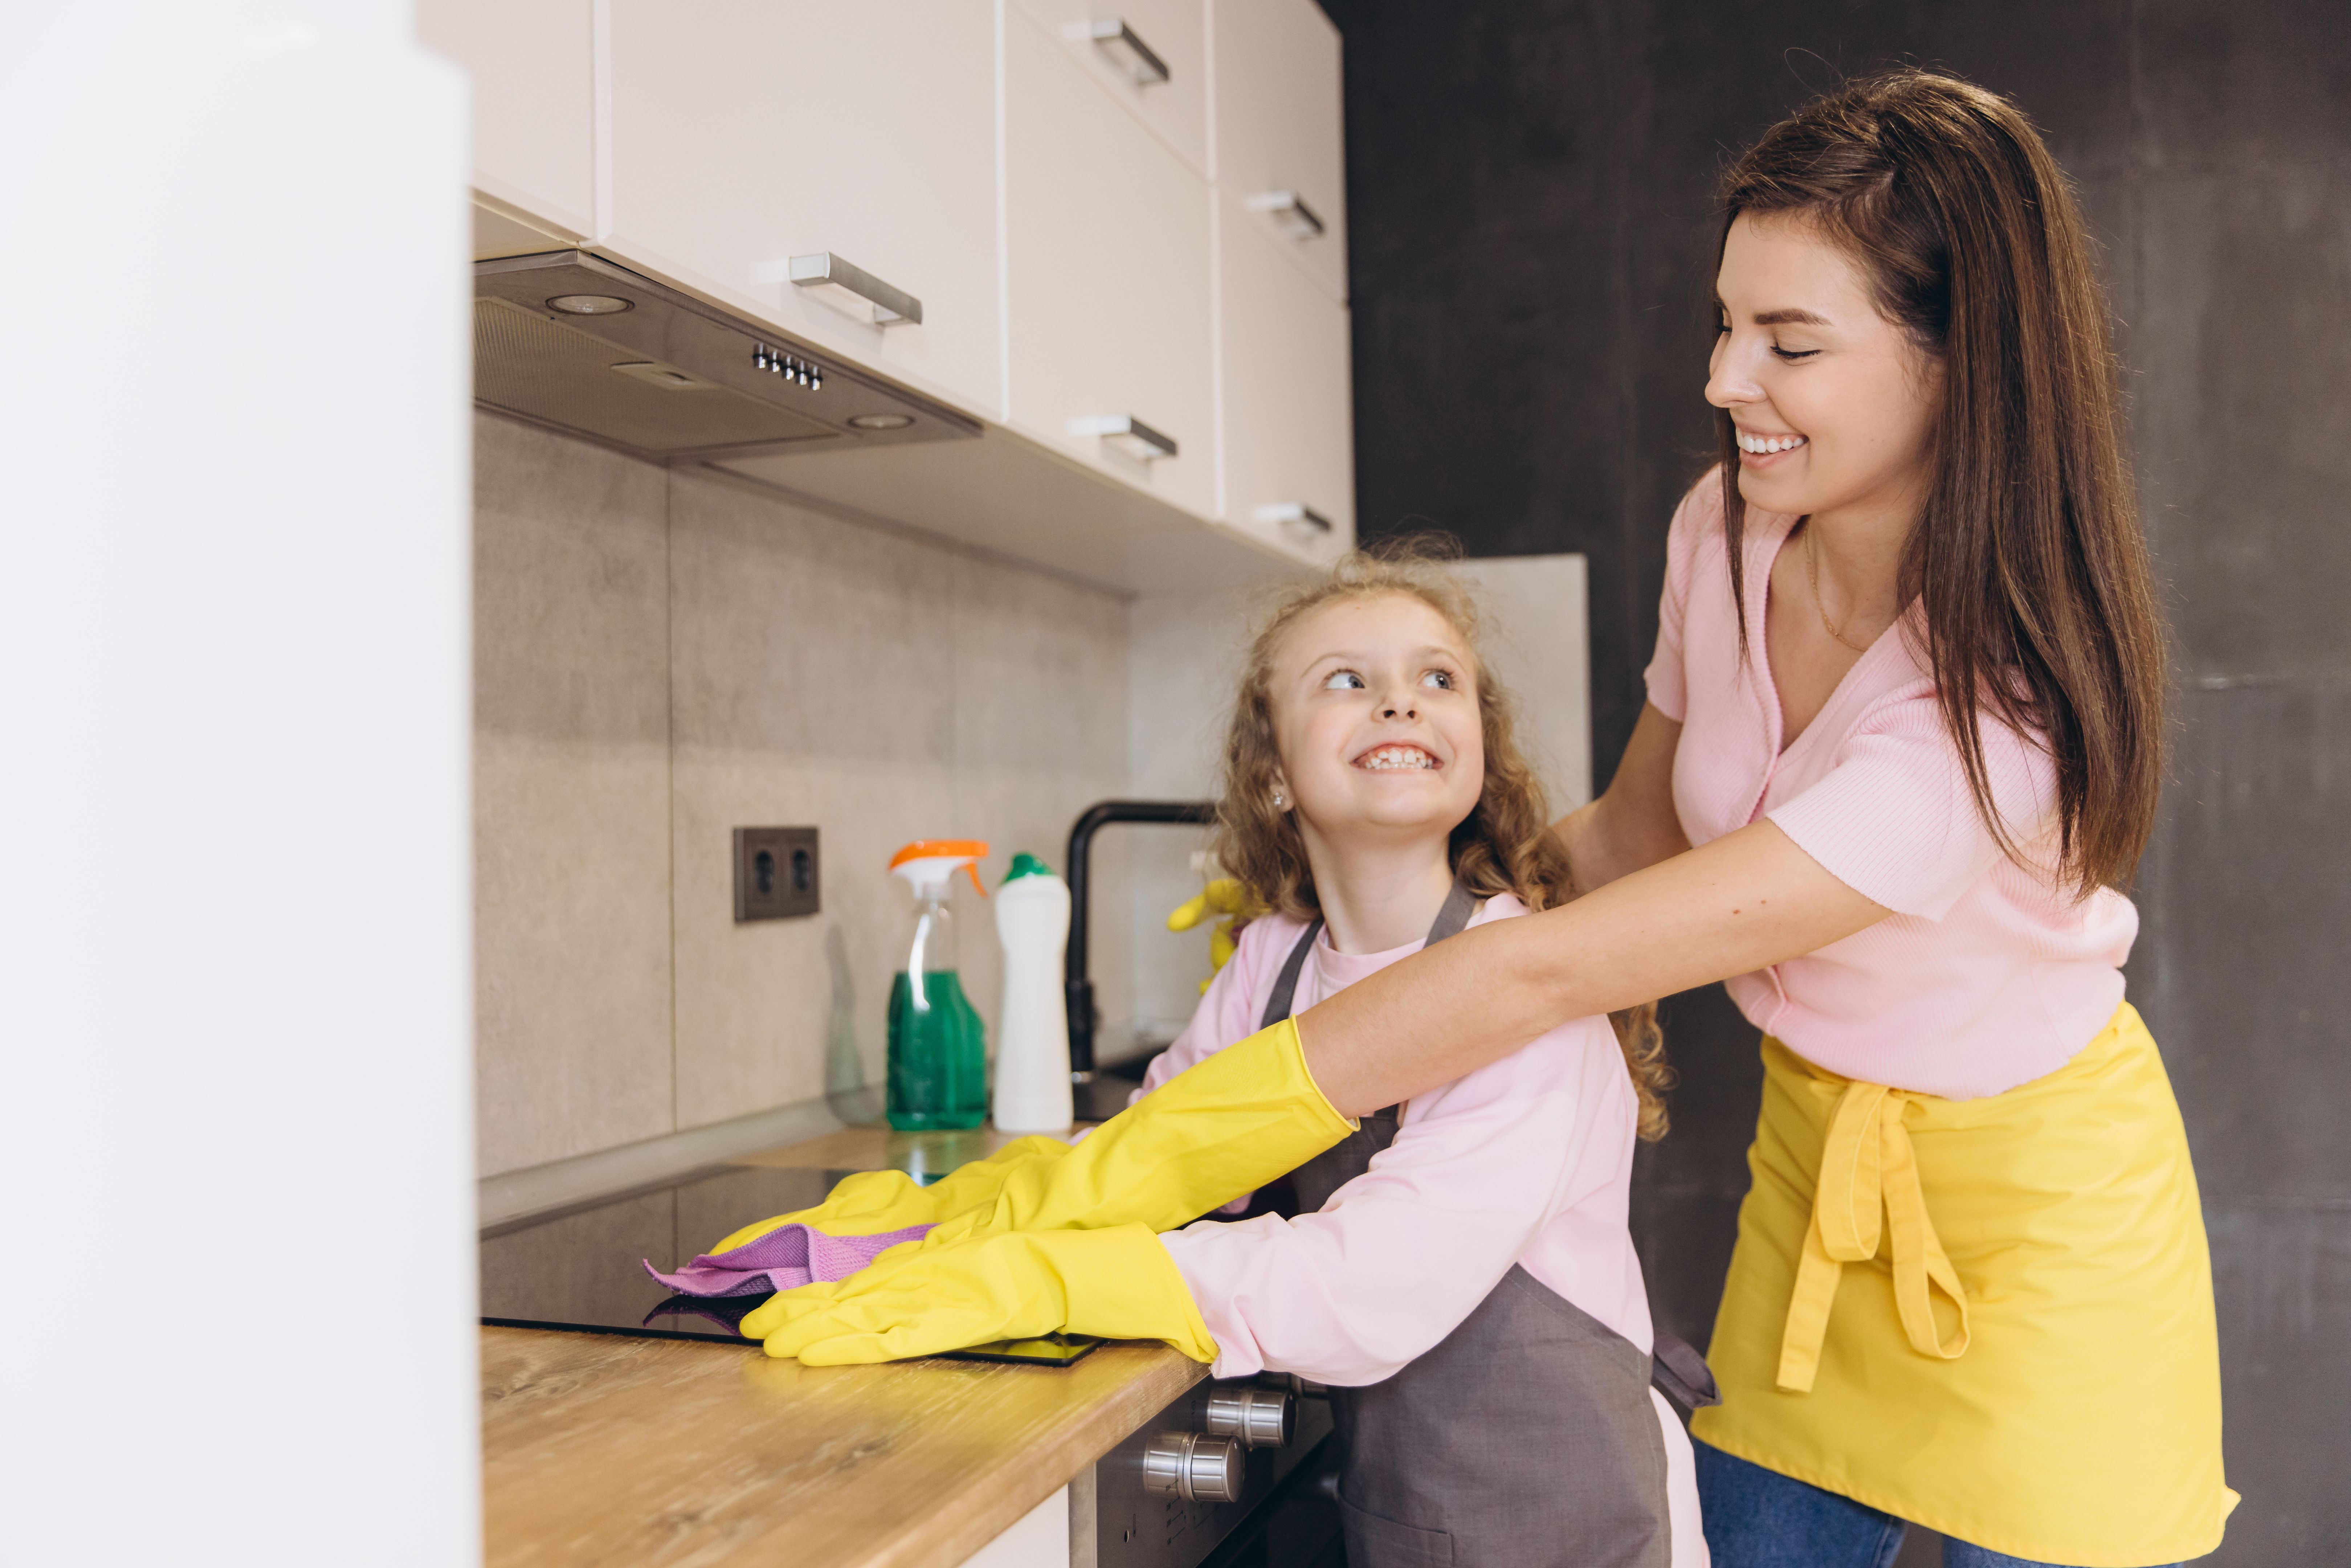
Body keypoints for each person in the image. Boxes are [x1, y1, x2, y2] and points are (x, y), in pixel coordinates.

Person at [734, 68, 2230, 1568]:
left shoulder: (1990, 725)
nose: (1723, 380)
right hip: (1818, 1168)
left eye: (1790, 342)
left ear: (1962, 364)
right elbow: (1636, 839)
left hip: (2046, 1230)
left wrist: (1076, 1202)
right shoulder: (1724, 534)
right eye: (1725, 321)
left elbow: (1543, 971)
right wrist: (1359, 922)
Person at [752, 554, 1706, 1566]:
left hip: (1576, 1517)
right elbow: (1162, 1150)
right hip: (1420, 1513)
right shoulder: (1272, 962)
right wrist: (980, 1210)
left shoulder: (1528, 994)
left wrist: (1064, 1277)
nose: (1400, 702)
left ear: (1479, 754)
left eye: (1439, 680)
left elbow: (1369, 1287)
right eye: (1347, 679)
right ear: (1273, 777)